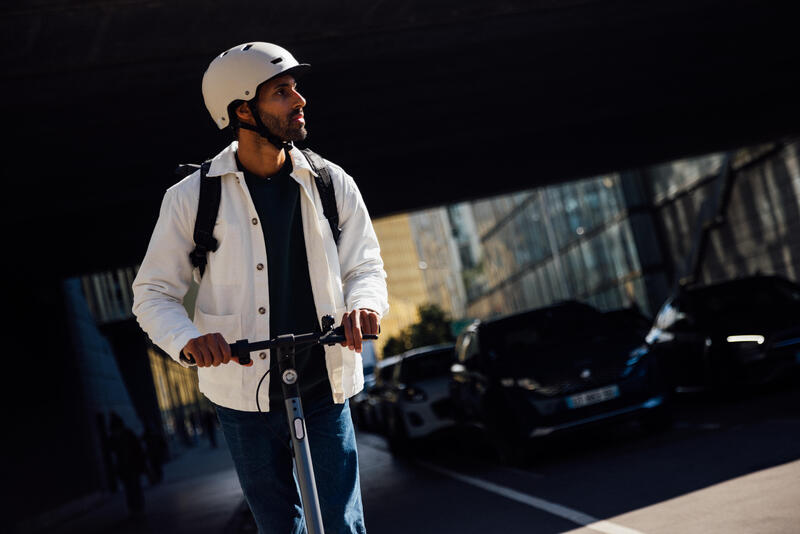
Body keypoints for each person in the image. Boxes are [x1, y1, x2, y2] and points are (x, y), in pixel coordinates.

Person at [132, 42, 388, 533]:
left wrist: (364, 306)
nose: (299, 101)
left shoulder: (332, 184)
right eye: (281, 92)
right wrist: (189, 341)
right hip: (240, 392)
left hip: (322, 379)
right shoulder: (192, 198)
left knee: (342, 524)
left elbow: (365, 266)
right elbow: (153, 293)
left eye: (296, 89)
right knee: (277, 526)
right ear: (242, 109)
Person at [108, 412, 146, 521]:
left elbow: (137, 451)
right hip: (126, 468)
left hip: (131, 467)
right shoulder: (120, 437)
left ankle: (137, 509)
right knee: (131, 489)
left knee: (134, 488)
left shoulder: (126, 436)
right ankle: (135, 509)